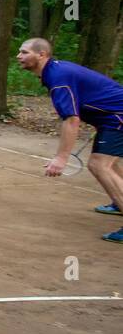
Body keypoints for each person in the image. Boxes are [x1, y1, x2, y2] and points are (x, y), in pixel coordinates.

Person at [16, 38, 123, 243]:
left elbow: (72, 119)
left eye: (24, 52)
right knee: (110, 163)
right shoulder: (55, 72)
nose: (18, 56)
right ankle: (119, 202)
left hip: (117, 117)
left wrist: (61, 158)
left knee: (99, 164)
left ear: (41, 54)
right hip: (112, 117)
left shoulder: (58, 78)